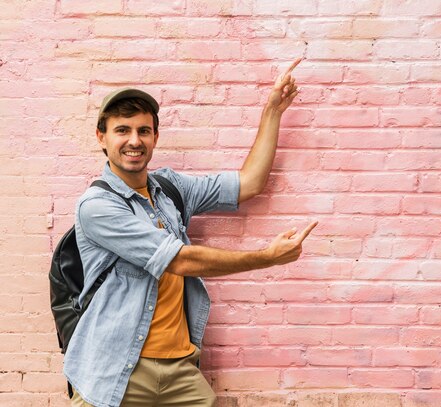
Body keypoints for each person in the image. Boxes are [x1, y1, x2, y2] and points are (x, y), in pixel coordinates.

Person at [63, 59, 317, 407]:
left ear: (155, 136)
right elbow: (181, 261)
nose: (133, 140)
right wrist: (266, 258)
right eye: (122, 130)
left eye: (143, 130)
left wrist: (272, 111)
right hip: (114, 370)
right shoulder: (96, 207)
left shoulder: (170, 189)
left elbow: (250, 182)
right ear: (101, 137)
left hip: (179, 369)